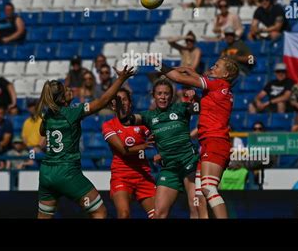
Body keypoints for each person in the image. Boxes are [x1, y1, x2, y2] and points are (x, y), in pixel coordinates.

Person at [35, 66, 135, 219]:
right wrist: (121, 79)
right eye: (66, 90)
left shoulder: (48, 115)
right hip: (67, 172)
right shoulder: (73, 112)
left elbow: (43, 132)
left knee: (44, 217)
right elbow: (103, 101)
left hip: (47, 173)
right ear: (62, 99)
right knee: (99, 212)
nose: (70, 89)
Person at [150, 57, 239, 219]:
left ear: (225, 74)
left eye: (217, 66)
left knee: (208, 188)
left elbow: (178, 78)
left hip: (215, 142)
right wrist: (193, 87)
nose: (212, 67)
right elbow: (196, 82)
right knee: (199, 194)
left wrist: (158, 64)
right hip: (208, 143)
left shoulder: (217, 84)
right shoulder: (218, 89)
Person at [120, 79, 208, 218]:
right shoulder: (148, 116)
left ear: (171, 96)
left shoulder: (180, 108)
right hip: (169, 169)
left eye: (166, 94)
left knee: (196, 207)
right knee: (159, 214)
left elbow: (202, 108)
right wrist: (121, 106)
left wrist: (196, 97)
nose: (163, 97)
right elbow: (126, 120)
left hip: (189, 164)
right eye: (159, 93)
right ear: (153, 95)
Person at [102, 88, 156, 219]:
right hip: (121, 175)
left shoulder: (142, 122)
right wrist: (143, 146)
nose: (122, 103)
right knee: (124, 214)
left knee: (158, 214)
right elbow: (122, 151)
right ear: (113, 105)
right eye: (118, 100)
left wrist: (160, 151)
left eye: (124, 99)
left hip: (143, 174)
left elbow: (156, 139)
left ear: (130, 103)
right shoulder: (108, 125)